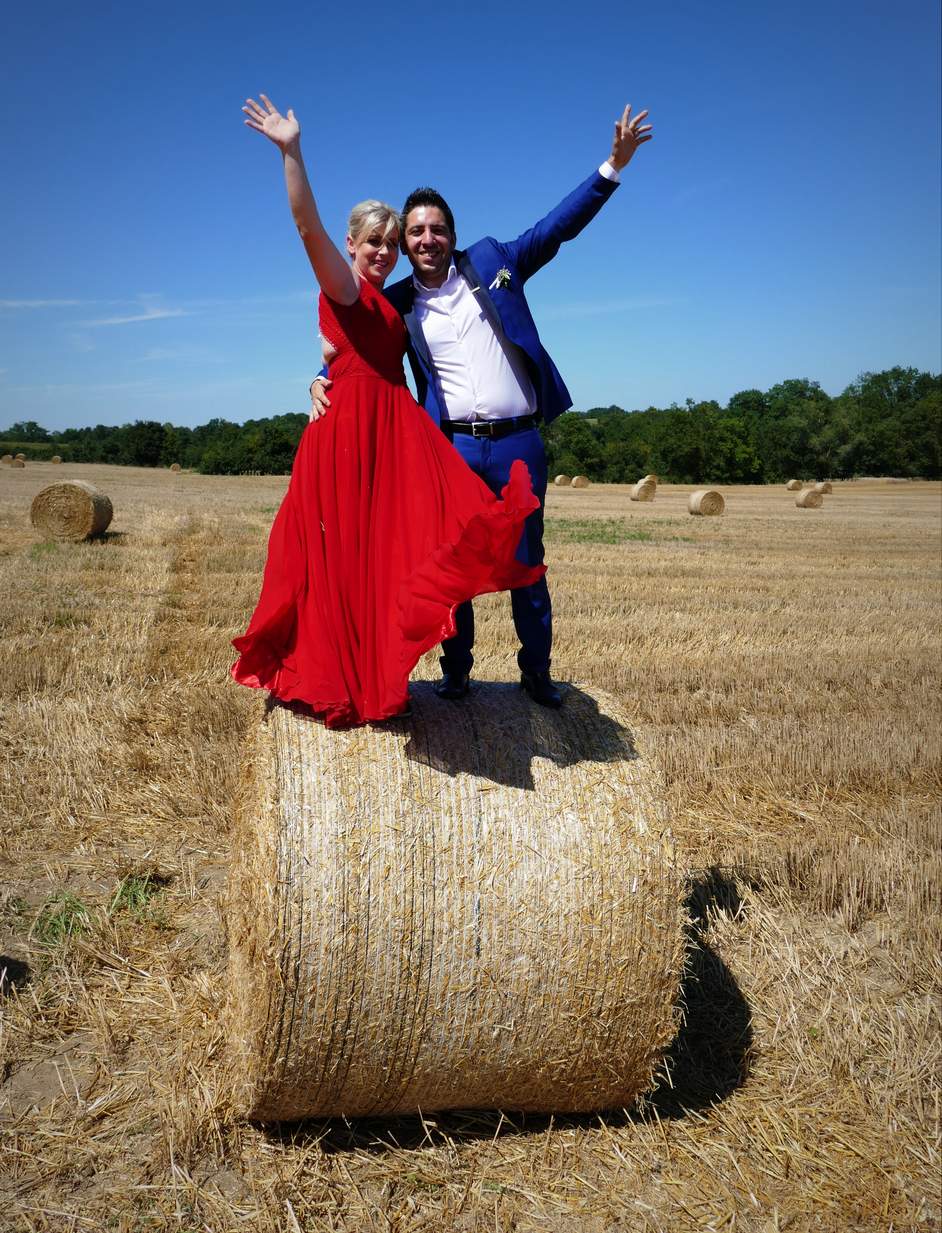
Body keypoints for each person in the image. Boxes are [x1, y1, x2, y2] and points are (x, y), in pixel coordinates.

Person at [310, 104, 653, 709]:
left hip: (519, 440)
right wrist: (318, 375)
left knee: (527, 562)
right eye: (413, 232)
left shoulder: (493, 262)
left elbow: (555, 229)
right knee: (452, 566)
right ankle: (457, 670)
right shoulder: (397, 303)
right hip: (452, 446)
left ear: (452, 233)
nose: (424, 240)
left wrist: (612, 168)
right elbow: (356, 340)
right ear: (403, 242)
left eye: (435, 229)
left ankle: (536, 673)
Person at [231, 95, 545, 728]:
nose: (384, 251)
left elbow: (359, 352)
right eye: (373, 241)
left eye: (391, 243)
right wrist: (292, 153)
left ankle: (406, 672)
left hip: (391, 435)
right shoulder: (343, 286)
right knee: (342, 564)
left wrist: (320, 371)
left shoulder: (390, 299)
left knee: (392, 559)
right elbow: (306, 228)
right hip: (348, 437)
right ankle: (342, 677)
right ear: (352, 244)